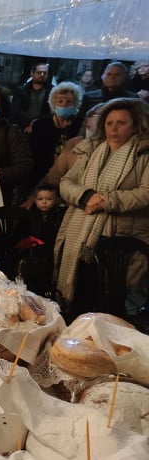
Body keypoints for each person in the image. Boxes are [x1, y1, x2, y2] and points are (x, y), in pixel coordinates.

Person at [54, 98, 149, 318]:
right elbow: (66, 182)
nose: (114, 128)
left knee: (112, 304)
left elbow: (146, 192)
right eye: (109, 123)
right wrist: (86, 196)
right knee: (82, 295)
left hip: (119, 239)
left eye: (121, 123)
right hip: (81, 234)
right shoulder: (91, 149)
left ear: (135, 125)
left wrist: (106, 201)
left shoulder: (144, 153)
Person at [26, 81, 84, 197]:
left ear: (75, 104)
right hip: (41, 174)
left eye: (69, 102)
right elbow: (34, 153)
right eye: (60, 101)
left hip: (71, 177)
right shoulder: (40, 124)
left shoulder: (81, 125)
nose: (64, 105)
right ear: (53, 103)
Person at [11, 62, 52, 132]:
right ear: (32, 73)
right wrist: (31, 123)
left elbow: (51, 111)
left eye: (45, 73)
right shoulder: (21, 90)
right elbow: (16, 110)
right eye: (39, 72)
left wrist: (37, 123)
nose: (42, 75)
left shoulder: (52, 91)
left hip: (43, 127)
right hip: (22, 127)